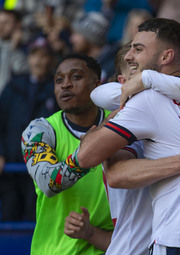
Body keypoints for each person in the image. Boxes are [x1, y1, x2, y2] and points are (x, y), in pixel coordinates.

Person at [77, 18, 180, 254]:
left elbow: (86, 156)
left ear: (166, 56)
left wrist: (148, 79)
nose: (129, 56)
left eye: (138, 49)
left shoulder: (152, 99)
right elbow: (100, 96)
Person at [21, 54, 113, 254]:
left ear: (97, 85)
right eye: (59, 80)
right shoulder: (39, 130)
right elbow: (48, 182)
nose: (66, 85)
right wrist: (87, 152)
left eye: (76, 77)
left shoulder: (120, 123)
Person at [0, 37, 57, 221]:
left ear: (51, 60)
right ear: (28, 59)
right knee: (9, 216)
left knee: (35, 219)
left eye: (44, 55)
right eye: (34, 55)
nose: (39, 60)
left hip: (40, 170)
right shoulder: (13, 86)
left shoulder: (56, 90)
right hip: (10, 168)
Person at [70, 12, 119, 83]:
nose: (72, 39)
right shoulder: (79, 62)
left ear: (91, 38)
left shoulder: (114, 67)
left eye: (77, 34)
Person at [0, 9, 28, 95]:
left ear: (18, 25)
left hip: (11, 101)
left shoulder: (27, 48)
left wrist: (15, 49)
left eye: (6, 23)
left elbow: (19, 69)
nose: (1, 26)